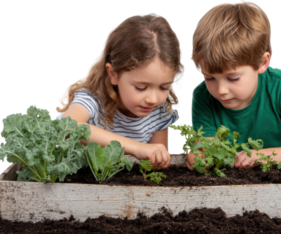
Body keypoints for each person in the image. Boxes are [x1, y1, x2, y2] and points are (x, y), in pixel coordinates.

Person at [187, 0, 281, 171]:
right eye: (209, 78)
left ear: (262, 63)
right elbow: (203, 150)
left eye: (233, 78)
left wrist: (263, 156)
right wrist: (199, 156)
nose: (221, 90)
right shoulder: (202, 96)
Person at [54, 12, 186, 170]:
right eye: (141, 87)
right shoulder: (93, 99)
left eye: (164, 87)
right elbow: (67, 127)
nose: (153, 98)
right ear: (113, 74)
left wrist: (157, 158)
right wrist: (136, 148)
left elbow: (158, 162)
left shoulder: (159, 111)